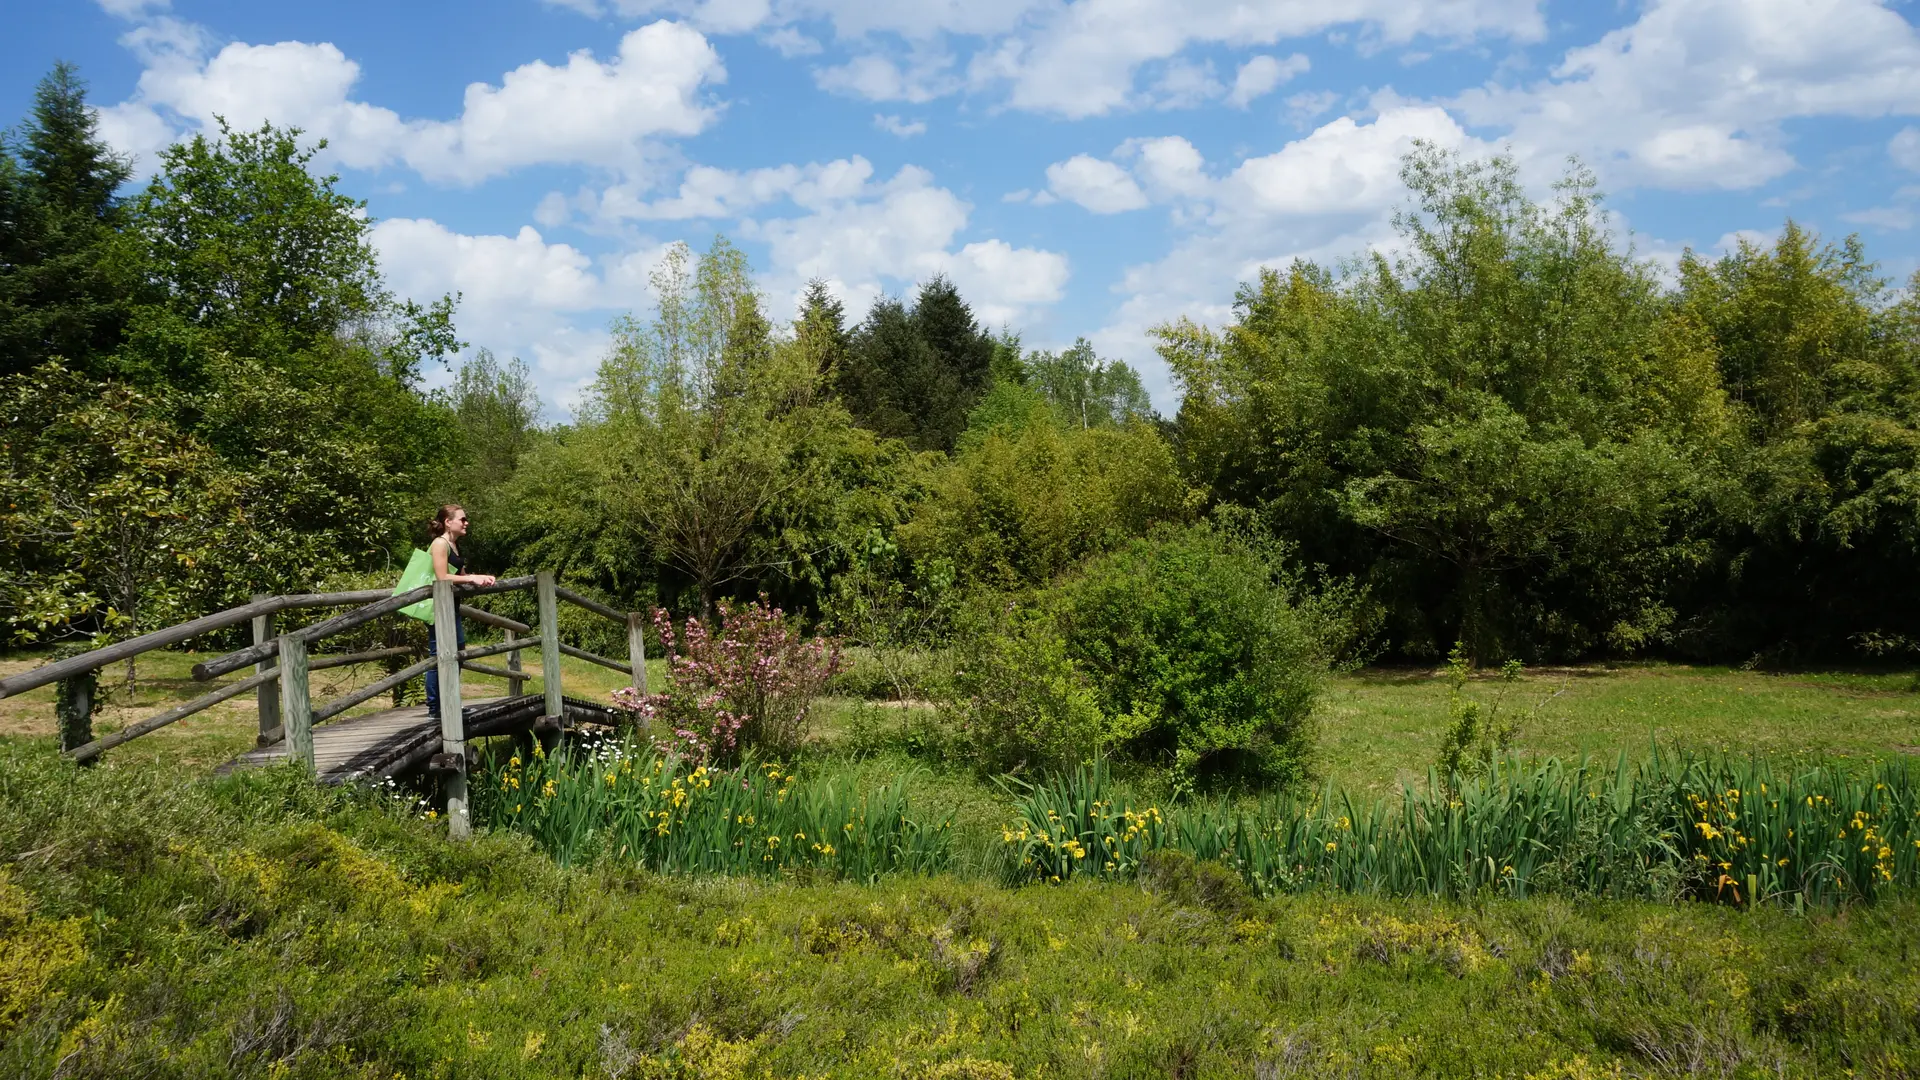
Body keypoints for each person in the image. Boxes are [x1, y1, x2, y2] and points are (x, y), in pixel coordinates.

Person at [424, 504, 497, 719]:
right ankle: (436, 709)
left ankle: (450, 702)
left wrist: (480, 577)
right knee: (438, 655)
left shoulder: (454, 545)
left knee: (457, 651)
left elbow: (461, 575)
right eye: (462, 519)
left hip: (451, 607)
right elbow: (442, 577)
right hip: (439, 609)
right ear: (448, 522)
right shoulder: (440, 543)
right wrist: (471, 578)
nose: (466, 523)